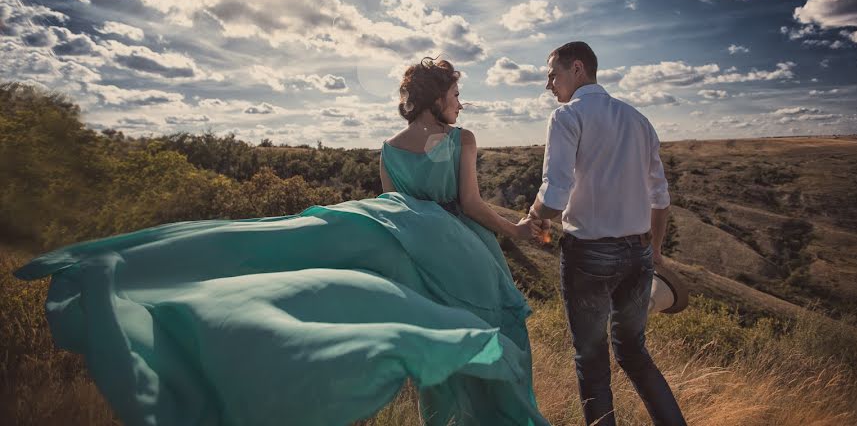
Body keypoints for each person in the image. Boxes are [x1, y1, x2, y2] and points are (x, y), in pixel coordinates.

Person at [14, 56, 550, 426]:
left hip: (409, 255)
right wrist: (518, 229)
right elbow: (475, 206)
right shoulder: (461, 140)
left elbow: (395, 208)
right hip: (461, 255)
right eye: (457, 94)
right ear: (437, 99)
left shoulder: (388, 148)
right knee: (493, 342)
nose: (462, 104)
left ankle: (130, 270)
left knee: (284, 244)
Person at [526, 42, 687, 426]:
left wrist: (534, 216)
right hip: (639, 254)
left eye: (553, 74)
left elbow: (555, 193)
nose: (549, 84)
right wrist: (657, 250)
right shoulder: (638, 119)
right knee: (634, 353)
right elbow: (660, 197)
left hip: (590, 255)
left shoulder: (566, 116)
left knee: (592, 360)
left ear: (577, 68)